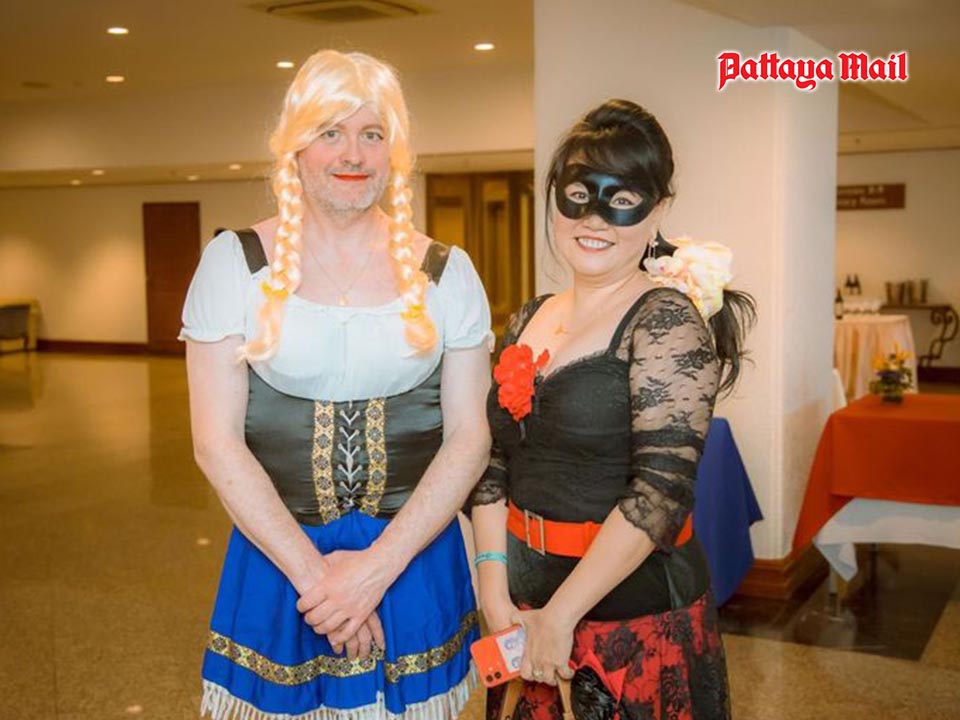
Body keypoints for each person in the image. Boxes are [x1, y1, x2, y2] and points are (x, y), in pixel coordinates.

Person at [180, 49, 493, 720]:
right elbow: (215, 443)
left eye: (371, 134)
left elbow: (470, 439)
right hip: (281, 560)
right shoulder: (234, 264)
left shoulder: (448, 272)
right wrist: (322, 584)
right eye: (331, 132)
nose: (353, 153)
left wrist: (374, 572)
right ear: (296, 147)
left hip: (411, 557)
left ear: (393, 151)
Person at [470, 99, 755, 720]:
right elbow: (493, 464)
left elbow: (661, 491)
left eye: (621, 199)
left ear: (658, 210)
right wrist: (494, 593)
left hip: (630, 624)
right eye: (577, 194)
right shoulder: (529, 315)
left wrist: (561, 617)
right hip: (522, 610)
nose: (593, 218)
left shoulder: (667, 321)